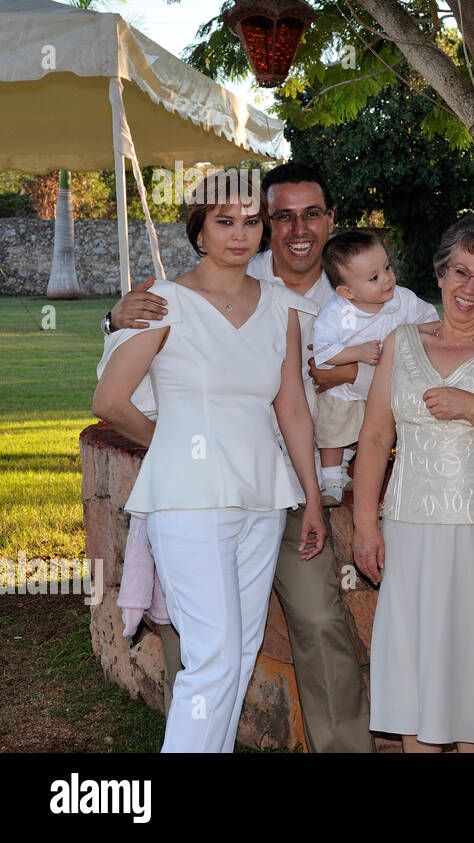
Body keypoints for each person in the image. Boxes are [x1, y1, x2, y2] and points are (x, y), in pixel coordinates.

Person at [105, 161, 375, 753]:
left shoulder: (279, 305)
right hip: (189, 500)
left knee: (240, 652)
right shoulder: (164, 301)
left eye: (251, 222)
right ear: (198, 230)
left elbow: (292, 408)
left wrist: (307, 496)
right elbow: (110, 400)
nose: (241, 233)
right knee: (214, 659)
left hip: (263, 499)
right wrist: (173, 444)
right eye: (225, 221)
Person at [351, 215, 474, 753]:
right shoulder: (398, 342)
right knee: (417, 673)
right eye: (461, 272)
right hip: (411, 530)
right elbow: (373, 439)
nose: (470, 288)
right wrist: (365, 525)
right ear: (440, 273)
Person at [314, 229, 439, 506]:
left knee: (373, 433)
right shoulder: (336, 314)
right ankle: (332, 481)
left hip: (385, 390)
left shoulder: (401, 300)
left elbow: (429, 319)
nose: (387, 279)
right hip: (345, 389)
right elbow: (322, 353)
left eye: (387, 268)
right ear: (346, 292)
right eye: (374, 278)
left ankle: (381, 481)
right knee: (334, 429)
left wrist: (412, 338)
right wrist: (356, 352)